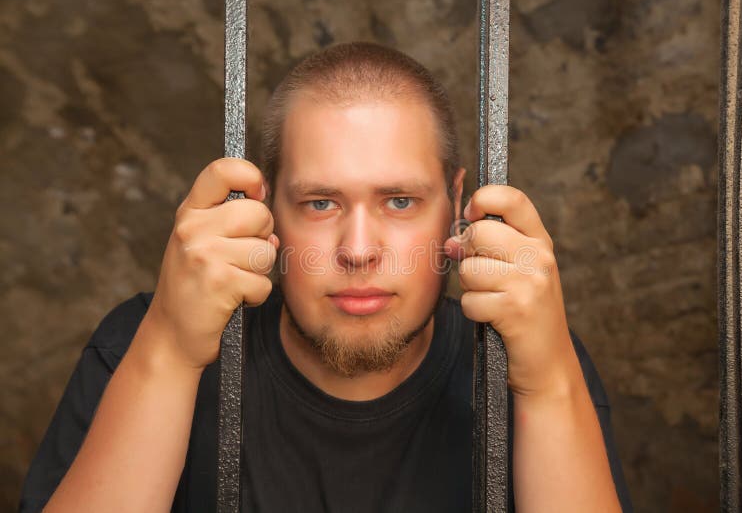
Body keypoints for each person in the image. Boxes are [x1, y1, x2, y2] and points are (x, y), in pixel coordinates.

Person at [20, 42, 631, 512]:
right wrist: (171, 349)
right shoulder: (139, 343)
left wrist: (549, 383)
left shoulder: (525, 361)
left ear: (455, 201)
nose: (357, 251)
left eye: (398, 201)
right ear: (264, 209)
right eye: (320, 203)